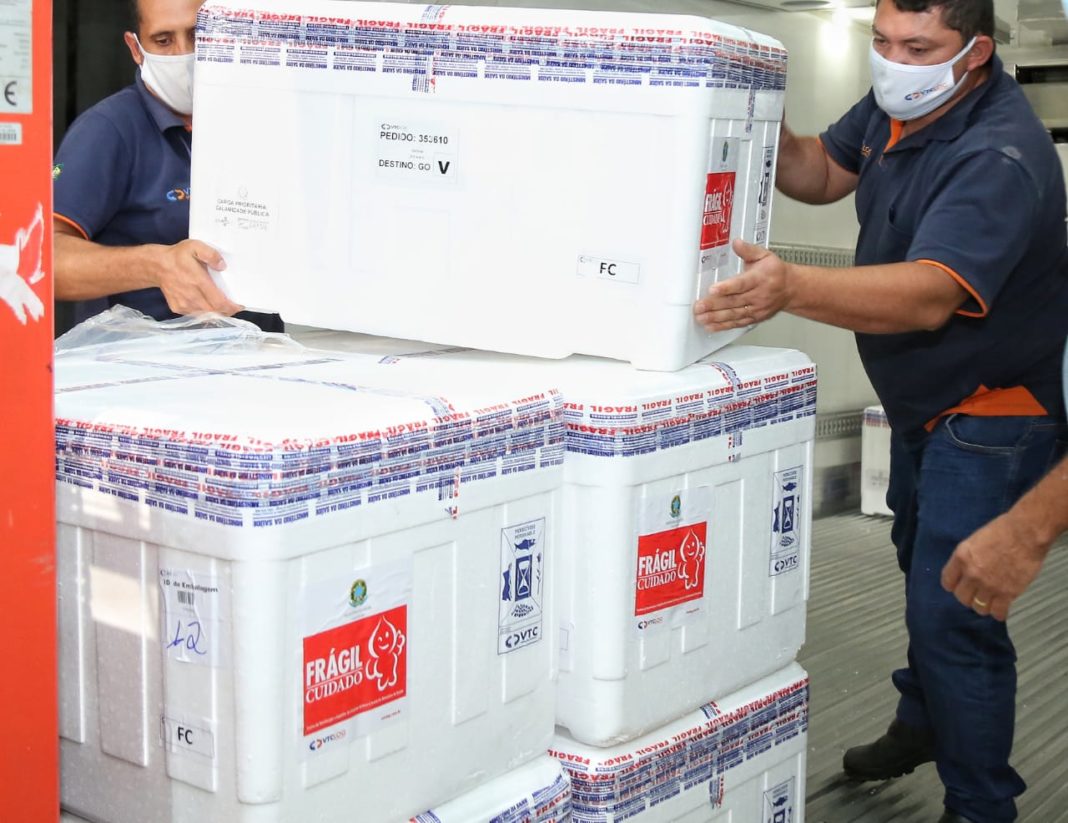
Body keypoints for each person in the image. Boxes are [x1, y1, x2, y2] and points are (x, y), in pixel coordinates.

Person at [692, 0, 1068, 819]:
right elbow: (818, 172)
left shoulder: (999, 154)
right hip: (924, 405)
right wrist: (753, 98)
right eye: (884, 41)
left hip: (993, 412)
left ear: (975, 52)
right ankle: (923, 719)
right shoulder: (903, 102)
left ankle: (981, 802)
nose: (895, 61)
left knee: (955, 608)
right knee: (921, 570)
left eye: (919, 47)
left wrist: (790, 286)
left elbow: (931, 295)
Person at [52, 0, 282, 332]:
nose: (184, 53)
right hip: (140, 354)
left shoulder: (259, 119)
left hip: (260, 348)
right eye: (163, 40)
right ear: (136, 48)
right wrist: (156, 265)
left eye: (198, 35)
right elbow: (45, 260)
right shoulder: (108, 130)